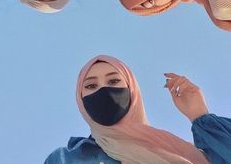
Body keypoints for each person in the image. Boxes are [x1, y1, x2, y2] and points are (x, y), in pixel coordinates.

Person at [44, 55, 231, 164]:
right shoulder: (69, 159)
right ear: (80, 99)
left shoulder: (178, 150)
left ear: (132, 91)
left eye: (114, 81)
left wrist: (200, 116)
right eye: (91, 86)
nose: (104, 90)